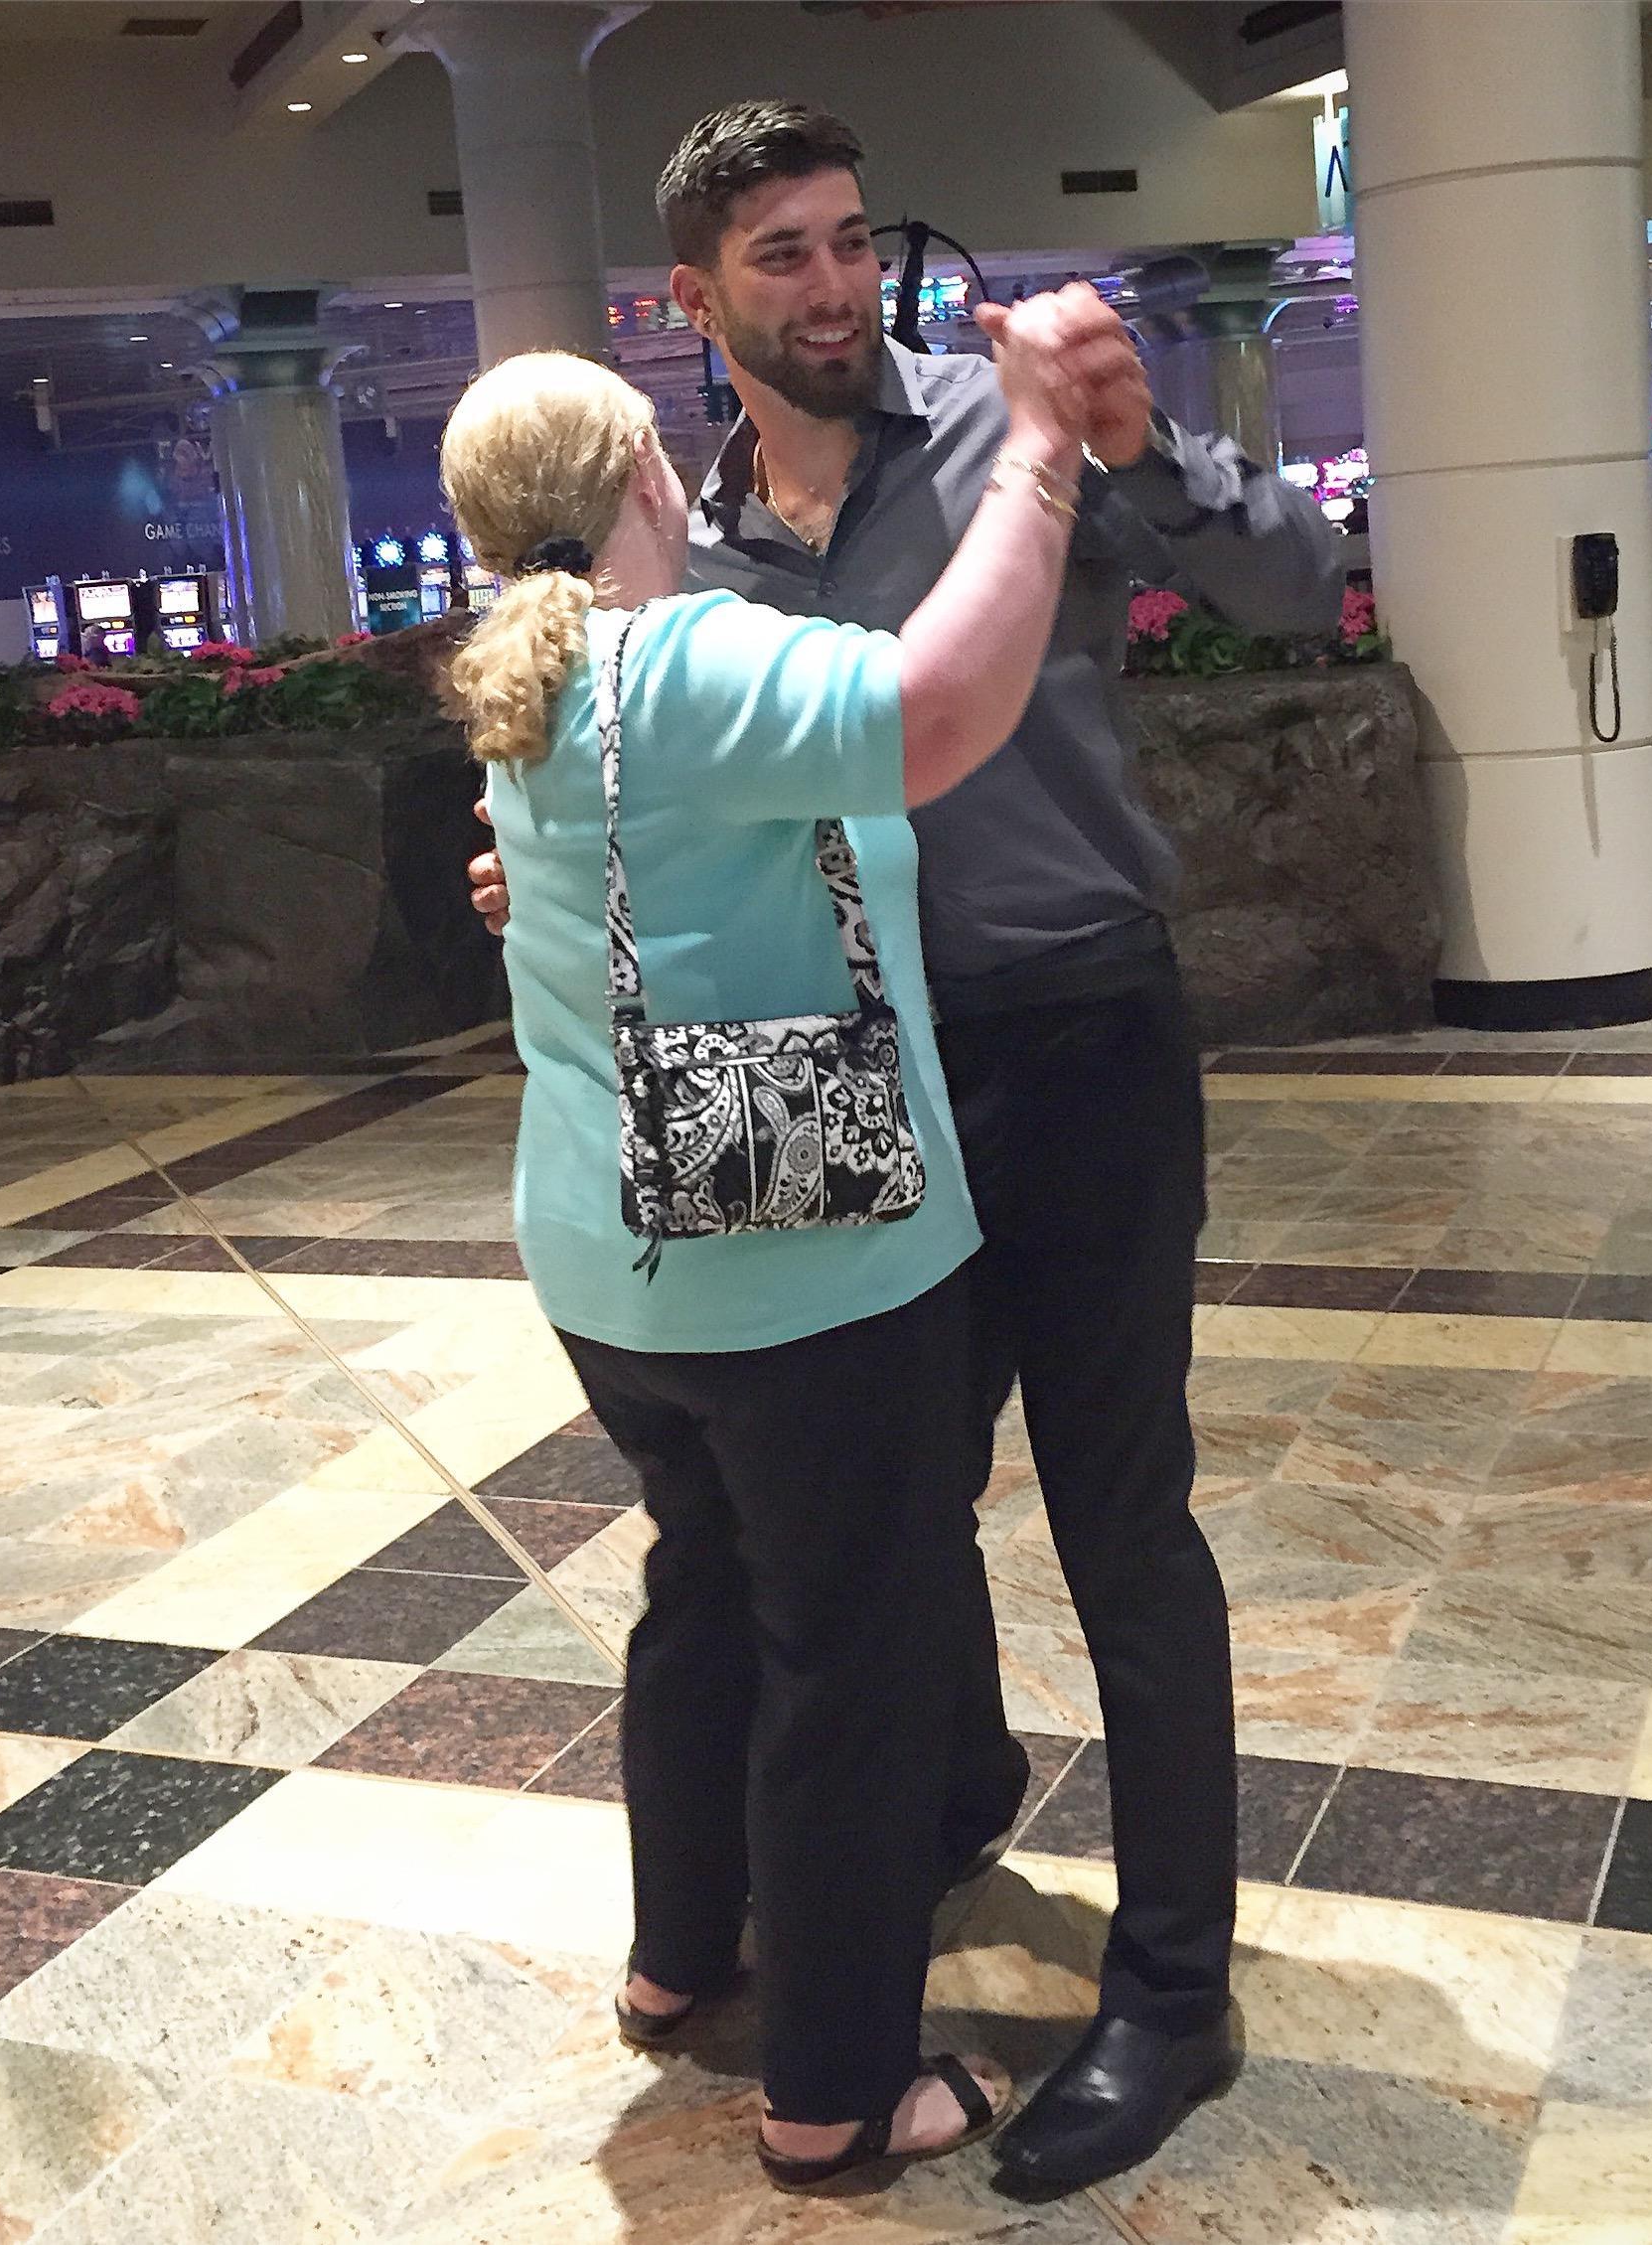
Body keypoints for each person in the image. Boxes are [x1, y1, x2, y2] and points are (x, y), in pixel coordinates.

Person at [468, 100, 1344, 2200]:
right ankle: (931, 1810)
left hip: (1078, 1044)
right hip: (862, 1096)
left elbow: (1293, 586)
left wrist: (1125, 440)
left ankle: (1168, 1984)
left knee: (1122, 1518)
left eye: (850, 239)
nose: (834, 283)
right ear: (692, 299)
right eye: (779, 253)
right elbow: (626, 765)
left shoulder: (998, 422)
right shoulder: (689, 542)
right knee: (889, 1508)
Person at [440, 279, 1122, 2191]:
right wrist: (1044, 454)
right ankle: (835, 2092)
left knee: (714, 1588)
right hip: (794, 1257)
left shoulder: (538, 679)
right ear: (651, 468)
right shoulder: (674, 662)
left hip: (610, 1256)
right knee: (854, 1653)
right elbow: (939, 704)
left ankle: (685, 1958)